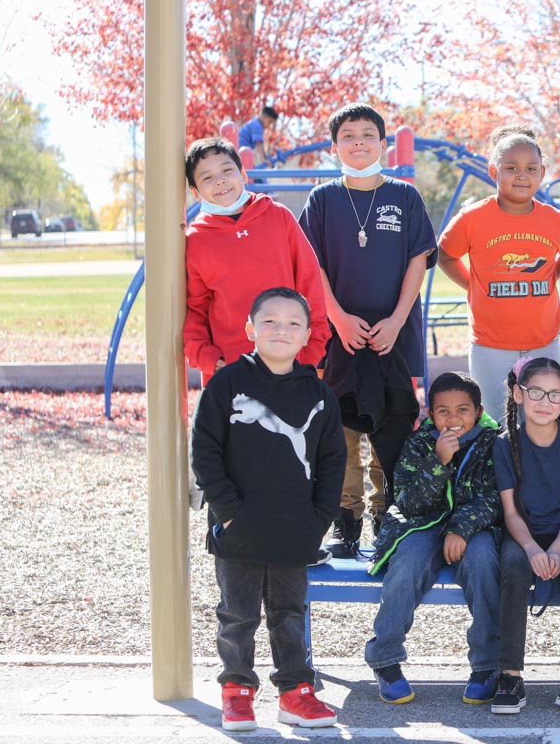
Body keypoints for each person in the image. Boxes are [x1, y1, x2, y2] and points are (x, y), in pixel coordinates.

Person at [190, 287, 346, 732]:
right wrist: (228, 512)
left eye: (293, 323)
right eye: (270, 321)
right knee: (237, 615)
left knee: (289, 613)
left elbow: (334, 461)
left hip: (295, 529)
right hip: (238, 527)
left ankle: (296, 692)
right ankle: (237, 692)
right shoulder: (228, 385)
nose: (282, 329)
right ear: (250, 329)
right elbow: (205, 452)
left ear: (308, 336)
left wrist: (320, 519)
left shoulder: (318, 394)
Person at [300, 103, 436, 559]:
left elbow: (418, 259)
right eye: (348, 135)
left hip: (391, 335)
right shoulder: (323, 199)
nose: (358, 142)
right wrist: (336, 317)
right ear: (335, 145)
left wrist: (397, 320)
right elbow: (312, 264)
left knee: (392, 426)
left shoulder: (404, 196)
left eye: (367, 134)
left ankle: (386, 516)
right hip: (340, 336)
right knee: (339, 430)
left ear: (383, 143)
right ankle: (346, 520)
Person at [364, 372, 503, 706]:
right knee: (408, 561)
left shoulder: (493, 442)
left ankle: (486, 664)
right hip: (421, 525)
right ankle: (385, 659)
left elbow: (494, 498)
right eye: (443, 411)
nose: (453, 419)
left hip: (474, 529)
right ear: (430, 413)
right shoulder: (420, 442)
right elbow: (408, 501)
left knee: (484, 562)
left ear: (478, 410)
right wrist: (438, 461)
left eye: (462, 410)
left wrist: (460, 529)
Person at [437, 127, 560, 425]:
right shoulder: (471, 219)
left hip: (543, 341)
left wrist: (550, 277)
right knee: (495, 423)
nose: (521, 175)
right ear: (493, 171)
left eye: (531, 169)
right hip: (490, 345)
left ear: (542, 173)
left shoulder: (556, 220)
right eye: (511, 168)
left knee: (544, 421)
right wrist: (472, 284)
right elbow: (445, 254)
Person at [491, 357, 560, 714]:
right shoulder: (506, 445)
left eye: (555, 395)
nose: (545, 402)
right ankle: (510, 674)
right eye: (536, 392)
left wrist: (559, 549)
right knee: (514, 567)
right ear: (518, 395)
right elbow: (511, 513)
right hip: (524, 533)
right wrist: (534, 548)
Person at [183, 137, 330, 386]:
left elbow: (310, 283)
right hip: (230, 371)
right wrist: (209, 358)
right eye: (207, 177)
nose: (219, 180)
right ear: (196, 193)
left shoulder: (278, 216)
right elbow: (195, 308)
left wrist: (310, 351)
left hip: (290, 364)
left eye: (227, 170)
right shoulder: (195, 240)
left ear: (243, 174)